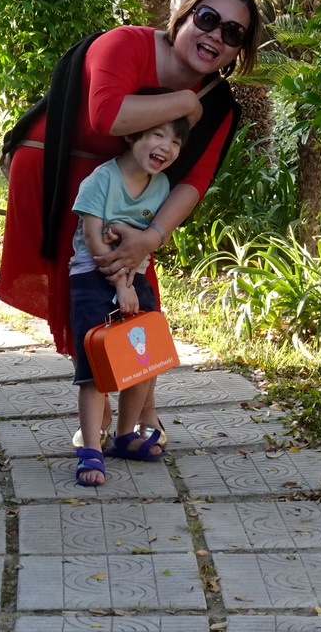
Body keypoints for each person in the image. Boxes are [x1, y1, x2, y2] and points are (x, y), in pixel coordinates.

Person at [0, 0, 261, 447]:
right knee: (92, 296)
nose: (217, 36)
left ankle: (140, 412)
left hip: (134, 187)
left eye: (234, 34)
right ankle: (99, 417)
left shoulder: (218, 103)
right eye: (208, 19)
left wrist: (152, 237)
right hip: (60, 170)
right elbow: (107, 117)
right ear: (183, 17)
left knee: (142, 292)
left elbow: (193, 182)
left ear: (238, 51)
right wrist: (183, 102)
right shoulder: (123, 44)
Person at [70, 95, 190, 485]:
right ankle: (91, 449)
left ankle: (125, 436)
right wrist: (122, 285)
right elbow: (93, 239)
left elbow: (149, 239)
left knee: (144, 361)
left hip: (136, 279)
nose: (166, 148)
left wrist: (132, 263)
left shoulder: (162, 186)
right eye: (158, 134)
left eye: (175, 142)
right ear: (132, 135)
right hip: (93, 277)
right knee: (94, 369)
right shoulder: (101, 180)